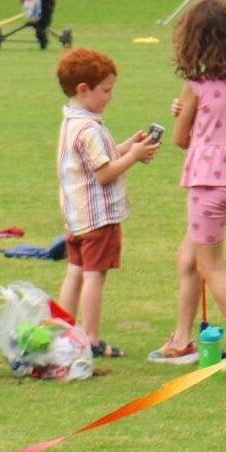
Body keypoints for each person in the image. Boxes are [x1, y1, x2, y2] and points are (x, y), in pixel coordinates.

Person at [148, 0, 226, 371]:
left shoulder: (195, 87)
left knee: (211, 267)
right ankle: (181, 340)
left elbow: (182, 138)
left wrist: (184, 113)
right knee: (187, 257)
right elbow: (224, 119)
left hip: (207, 185)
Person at [55, 48, 162, 359]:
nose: (110, 96)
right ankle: (89, 338)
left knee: (74, 271)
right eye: (106, 90)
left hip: (75, 216)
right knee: (94, 275)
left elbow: (99, 157)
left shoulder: (73, 120)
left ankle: (63, 331)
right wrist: (134, 156)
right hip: (97, 218)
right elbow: (103, 173)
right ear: (83, 89)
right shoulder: (89, 128)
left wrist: (129, 146)